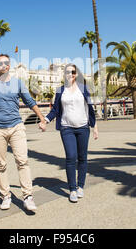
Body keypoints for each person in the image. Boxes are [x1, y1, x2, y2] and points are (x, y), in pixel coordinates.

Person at [0, 54, 47, 212]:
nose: (2, 65)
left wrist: (42, 118)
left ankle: (28, 196)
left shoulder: (18, 83)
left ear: (9, 65)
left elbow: (30, 102)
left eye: (5, 63)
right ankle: (6, 196)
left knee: (22, 161)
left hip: (16, 127)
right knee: (0, 165)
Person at [40, 64, 98, 203]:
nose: (70, 74)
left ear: (76, 74)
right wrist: (45, 120)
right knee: (71, 157)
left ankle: (80, 186)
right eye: (67, 72)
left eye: (73, 72)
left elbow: (90, 109)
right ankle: (72, 189)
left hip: (83, 127)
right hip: (67, 128)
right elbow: (55, 110)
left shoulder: (83, 89)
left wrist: (95, 127)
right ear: (64, 74)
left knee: (82, 157)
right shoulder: (60, 90)